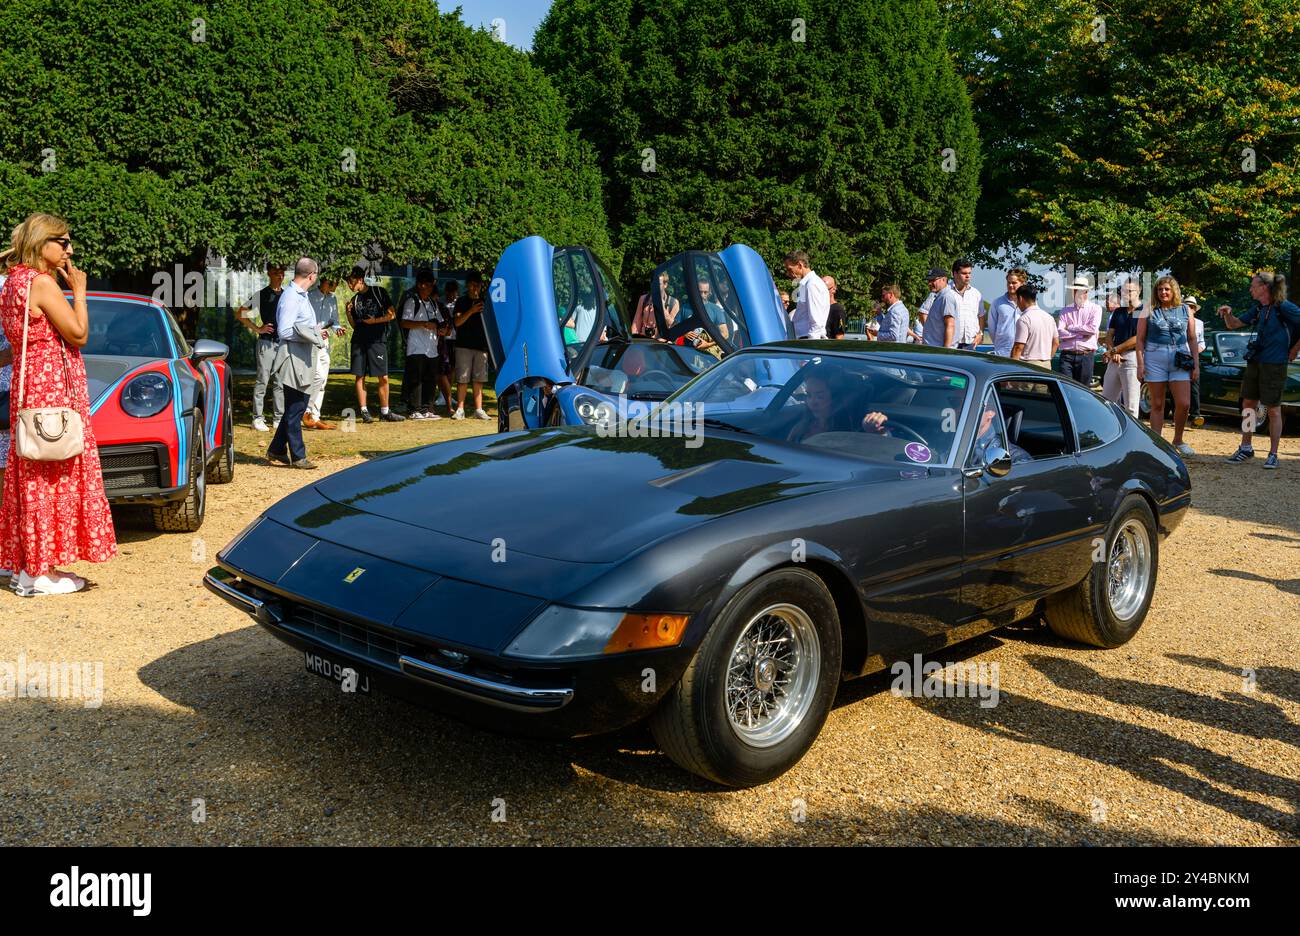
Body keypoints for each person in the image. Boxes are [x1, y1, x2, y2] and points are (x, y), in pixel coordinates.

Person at [0, 213, 117, 596]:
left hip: (28, 383)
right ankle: (39, 573)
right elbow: (79, 333)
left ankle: (24, 566)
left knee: (31, 474)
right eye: (63, 242)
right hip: (51, 387)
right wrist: (79, 290)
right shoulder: (42, 283)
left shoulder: (13, 281)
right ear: (41, 243)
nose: (70, 249)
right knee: (52, 473)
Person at [1220, 270, 1300, 469]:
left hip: (1275, 363)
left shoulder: (1284, 307)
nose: (1250, 289)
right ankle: (1246, 446)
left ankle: (1273, 454)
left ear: (1264, 287)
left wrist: (1294, 350)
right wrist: (1228, 315)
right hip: (1255, 361)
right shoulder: (1259, 309)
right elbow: (1234, 325)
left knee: (1273, 409)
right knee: (1248, 404)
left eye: (1253, 285)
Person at [266, 258, 326, 469]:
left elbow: (302, 326)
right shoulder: (291, 297)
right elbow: (284, 330)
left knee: (296, 407)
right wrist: (310, 336)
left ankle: (276, 449)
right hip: (293, 358)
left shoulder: (300, 295)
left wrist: (316, 332)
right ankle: (298, 456)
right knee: (296, 408)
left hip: (301, 357)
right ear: (311, 276)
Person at [1136, 275, 1197, 457]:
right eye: (1160, 289)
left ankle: (1178, 439)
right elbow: (1139, 339)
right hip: (1155, 355)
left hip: (1180, 355)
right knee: (1157, 403)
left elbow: (1192, 338)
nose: (1163, 292)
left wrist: (1196, 365)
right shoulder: (1148, 310)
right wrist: (1140, 364)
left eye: (1167, 289)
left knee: (1184, 403)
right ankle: (1157, 443)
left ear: (1174, 291)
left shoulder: (1186, 310)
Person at [345, 265, 403, 423]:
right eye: (348, 283)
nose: (350, 286)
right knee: (360, 375)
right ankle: (364, 412)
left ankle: (385, 412)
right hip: (359, 341)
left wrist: (374, 321)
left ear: (360, 280)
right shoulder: (354, 300)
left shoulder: (379, 292)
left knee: (383, 377)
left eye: (351, 282)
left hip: (377, 340)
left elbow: (392, 315)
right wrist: (348, 313)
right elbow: (355, 325)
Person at [235, 261, 286, 432]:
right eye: (276, 272)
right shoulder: (262, 294)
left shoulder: (287, 295)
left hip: (283, 343)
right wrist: (257, 328)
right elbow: (240, 313)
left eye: (282, 272)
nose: (280, 275)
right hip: (266, 342)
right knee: (262, 380)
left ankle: (279, 419)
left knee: (280, 382)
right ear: (269, 274)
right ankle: (257, 418)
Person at [399, 268, 445, 420]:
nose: (431, 288)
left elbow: (439, 322)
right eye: (428, 285)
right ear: (420, 285)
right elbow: (404, 323)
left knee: (430, 378)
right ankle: (414, 410)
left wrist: (442, 329)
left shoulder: (432, 303)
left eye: (432, 285)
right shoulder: (412, 301)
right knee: (416, 379)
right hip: (416, 347)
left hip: (431, 348)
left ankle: (427, 409)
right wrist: (423, 324)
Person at [452, 271, 492, 420]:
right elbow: (457, 322)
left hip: (481, 346)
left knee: (479, 379)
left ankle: (478, 409)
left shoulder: (486, 302)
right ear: (468, 285)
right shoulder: (461, 302)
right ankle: (460, 409)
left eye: (478, 285)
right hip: (464, 345)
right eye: (473, 285)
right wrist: (472, 310)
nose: (475, 288)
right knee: (462, 378)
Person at [304, 274, 339, 430]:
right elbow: (305, 321)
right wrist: (316, 331)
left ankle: (315, 417)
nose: (334, 287)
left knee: (323, 379)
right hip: (311, 340)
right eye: (332, 283)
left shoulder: (333, 298)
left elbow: (334, 321)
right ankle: (306, 411)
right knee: (316, 377)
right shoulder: (310, 296)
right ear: (325, 281)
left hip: (325, 342)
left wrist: (338, 329)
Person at [1102, 280, 1142, 417]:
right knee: (1106, 402)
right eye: (1124, 291)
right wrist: (1113, 351)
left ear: (1139, 291)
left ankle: (1133, 437)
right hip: (1114, 358)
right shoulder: (1118, 311)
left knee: (1131, 406)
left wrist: (1114, 350)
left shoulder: (1143, 311)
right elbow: (1109, 335)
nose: (1126, 294)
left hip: (1133, 358)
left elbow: (1138, 338)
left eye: (1130, 291)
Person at [1056, 275, 1102, 384]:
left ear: (1086, 292)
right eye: (1075, 290)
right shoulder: (1065, 310)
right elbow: (1060, 332)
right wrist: (1081, 334)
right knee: (1066, 390)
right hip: (1067, 354)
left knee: (1083, 391)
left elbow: (1092, 329)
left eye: (1079, 291)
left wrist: (1071, 328)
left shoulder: (1095, 309)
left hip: (1085, 355)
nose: (1076, 293)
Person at [784, 250, 829, 339]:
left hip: (808, 340)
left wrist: (811, 348)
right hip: (806, 339)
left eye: (790, 269)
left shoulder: (812, 284)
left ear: (800, 265)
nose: (788, 274)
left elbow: (816, 322)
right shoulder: (809, 284)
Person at [1010, 283, 1057, 367]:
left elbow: (1018, 347)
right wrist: (1048, 358)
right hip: (1046, 364)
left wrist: (1011, 369)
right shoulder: (1050, 317)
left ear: (1020, 298)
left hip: (1029, 365)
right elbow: (1056, 343)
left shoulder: (1024, 319)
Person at [984, 268, 1027, 357]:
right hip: (1002, 352)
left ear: (1022, 283)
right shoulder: (997, 303)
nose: (1010, 285)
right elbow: (992, 329)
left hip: (1024, 353)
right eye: (1008, 282)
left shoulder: (1028, 304)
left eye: (1014, 283)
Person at [919, 267, 958, 347]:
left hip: (938, 350)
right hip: (934, 349)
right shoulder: (939, 296)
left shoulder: (946, 297)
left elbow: (950, 325)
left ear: (944, 279)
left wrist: (945, 352)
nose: (929, 283)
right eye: (929, 281)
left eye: (933, 280)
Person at [950, 259, 983, 349]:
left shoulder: (976, 294)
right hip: (950, 343)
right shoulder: (945, 292)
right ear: (954, 274)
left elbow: (981, 315)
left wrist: (980, 334)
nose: (968, 276)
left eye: (969, 273)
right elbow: (924, 312)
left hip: (971, 343)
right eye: (964, 273)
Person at [436, 281, 459, 412]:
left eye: (453, 291)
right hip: (443, 340)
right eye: (449, 291)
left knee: (452, 368)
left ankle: (449, 394)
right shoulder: (441, 302)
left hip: (455, 338)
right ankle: (441, 395)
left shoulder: (458, 302)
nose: (451, 294)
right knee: (443, 368)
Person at [1185, 295, 1206, 427]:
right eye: (1187, 306)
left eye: (1191, 307)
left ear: (1195, 309)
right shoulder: (1178, 321)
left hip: (1193, 358)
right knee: (1178, 386)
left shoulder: (1199, 323)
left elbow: (1202, 342)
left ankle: (1195, 415)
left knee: (1194, 386)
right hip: (1179, 357)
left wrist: (1197, 350)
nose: (1189, 309)